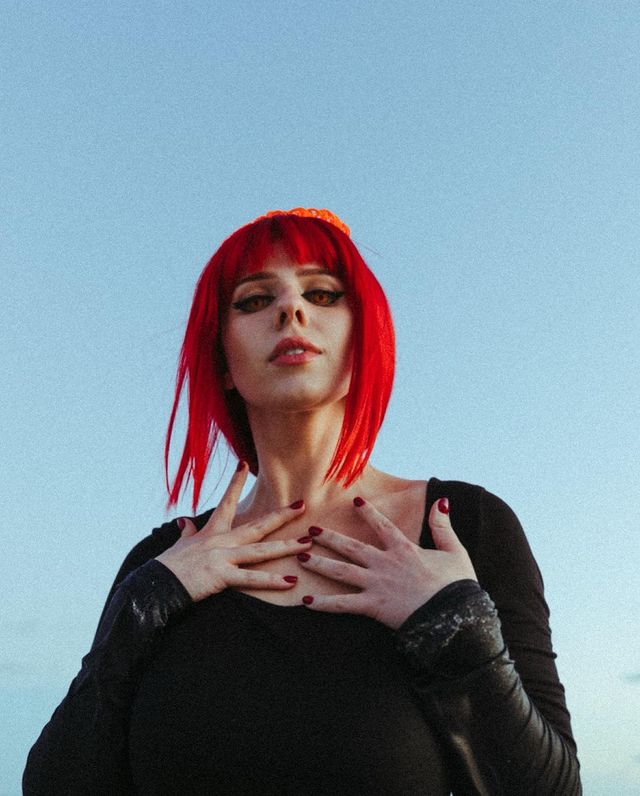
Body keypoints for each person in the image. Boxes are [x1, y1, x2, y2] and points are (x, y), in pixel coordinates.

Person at [23, 207, 582, 795]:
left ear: (362, 340)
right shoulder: (165, 560)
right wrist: (145, 605)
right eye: (253, 300)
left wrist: (454, 625)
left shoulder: (462, 528)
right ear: (223, 361)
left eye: (322, 294)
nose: (290, 310)